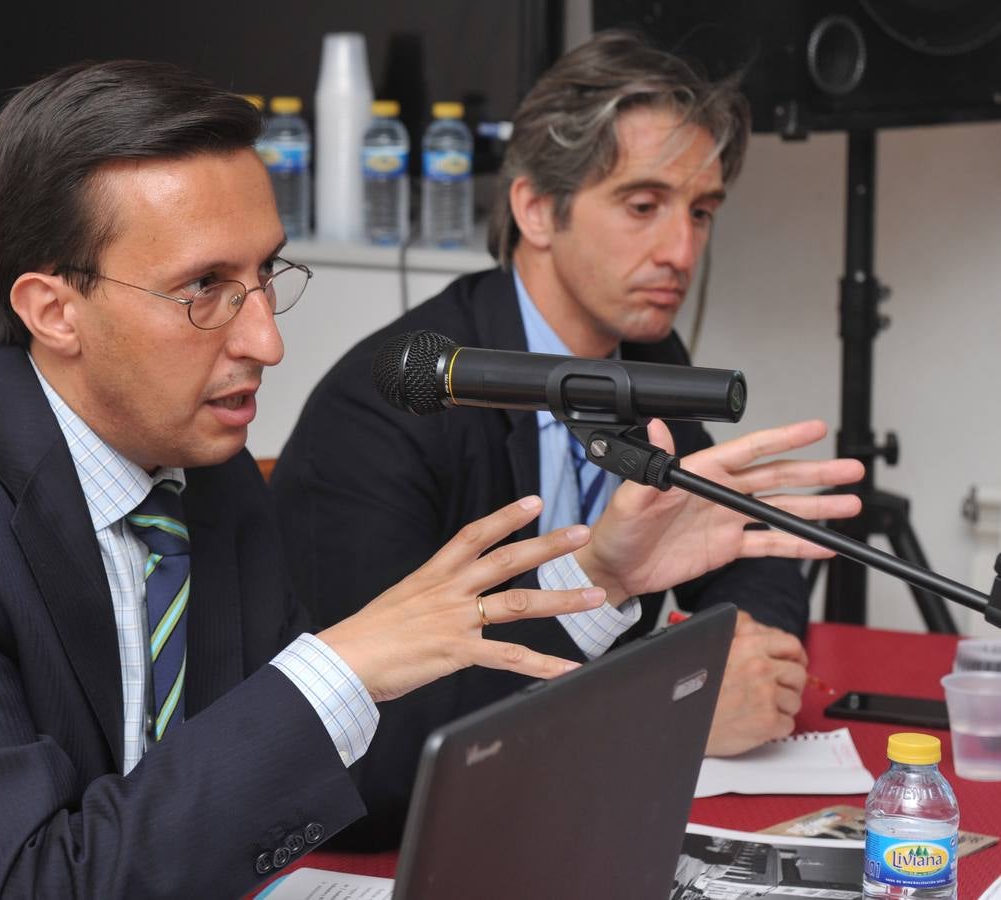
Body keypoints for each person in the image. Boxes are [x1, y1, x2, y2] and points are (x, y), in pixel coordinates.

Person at [0, 60, 857, 899]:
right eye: (205, 290)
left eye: (266, 276)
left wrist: (601, 590)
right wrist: (338, 668)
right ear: (51, 308)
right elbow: (35, 885)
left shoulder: (202, 471)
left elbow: (255, 803)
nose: (266, 341)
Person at [270, 30, 854, 848]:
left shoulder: (648, 355)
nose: (680, 251)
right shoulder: (388, 407)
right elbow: (370, 744)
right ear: (535, 209)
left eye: (700, 212)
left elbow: (736, 542)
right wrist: (667, 709)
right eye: (643, 206)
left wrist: (751, 647)